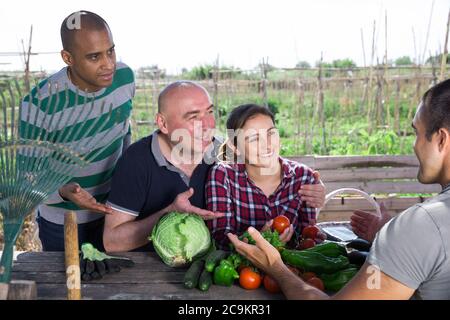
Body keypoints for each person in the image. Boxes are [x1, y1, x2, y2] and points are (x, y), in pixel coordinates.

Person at [228, 79, 450, 300]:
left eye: (416, 133)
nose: (414, 144)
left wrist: (276, 267)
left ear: (441, 139)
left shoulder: (423, 225)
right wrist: (389, 237)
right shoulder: (427, 225)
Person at [103, 82, 326, 252]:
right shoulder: (137, 161)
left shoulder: (221, 151)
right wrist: (168, 213)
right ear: (163, 123)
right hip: (148, 272)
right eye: (193, 117)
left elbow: (266, 154)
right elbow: (112, 242)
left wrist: (313, 188)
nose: (208, 125)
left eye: (209, 112)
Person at [20, 11, 135, 251]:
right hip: (63, 222)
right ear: (68, 57)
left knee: (115, 284)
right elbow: (28, 174)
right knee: (68, 284)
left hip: (115, 215)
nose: (108, 64)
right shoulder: (38, 105)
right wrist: (63, 190)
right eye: (94, 57)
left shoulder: (125, 79)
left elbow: (124, 132)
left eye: (110, 51)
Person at [206, 104, 318, 249]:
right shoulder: (223, 176)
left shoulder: (303, 177)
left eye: (271, 133)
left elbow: (308, 239)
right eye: (254, 138)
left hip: (291, 268)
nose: (267, 145)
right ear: (235, 147)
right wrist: (257, 239)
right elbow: (220, 237)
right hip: (244, 269)